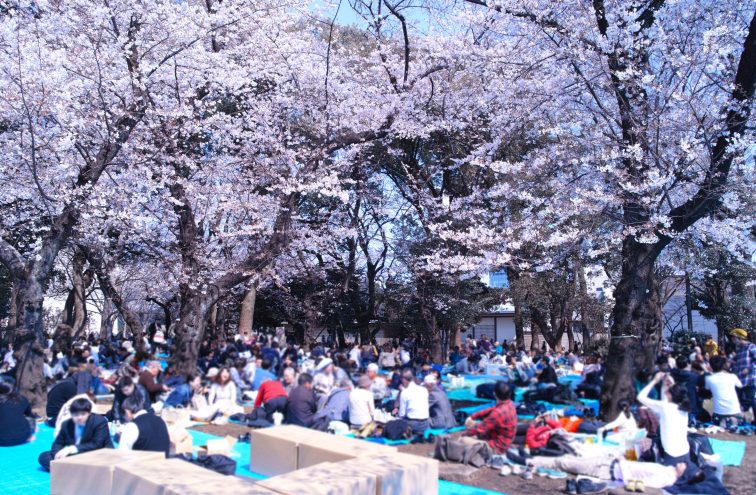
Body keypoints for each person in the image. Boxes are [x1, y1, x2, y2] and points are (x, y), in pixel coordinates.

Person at [637, 371, 696, 480]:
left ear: (671, 395)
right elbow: (667, 395)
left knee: (670, 483)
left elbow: (640, 397)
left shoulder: (665, 407)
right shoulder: (683, 407)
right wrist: (668, 381)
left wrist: (654, 381)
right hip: (685, 453)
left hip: (672, 456)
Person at [38, 398, 113, 471]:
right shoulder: (67, 424)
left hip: (98, 453)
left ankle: (70, 469)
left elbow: (97, 444)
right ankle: (73, 469)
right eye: (76, 414)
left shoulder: (99, 422)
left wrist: (72, 448)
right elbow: (58, 443)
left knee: (102, 461)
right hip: (77, 456)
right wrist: (57, 456)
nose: (79, 417)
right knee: (44, 456)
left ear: (89, 413)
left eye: (83, 414)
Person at [462, 381, 516, 454]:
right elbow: (491, 409)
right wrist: (473, 416)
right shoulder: (510, 404)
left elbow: (479, 429)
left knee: (463, 440)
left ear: (494, 394)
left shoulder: (497, 413)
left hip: (497, 448)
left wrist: (465, 433)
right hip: (505, 442)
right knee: (475, 434)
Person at [705, 355, 744, 428]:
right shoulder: (732, 376)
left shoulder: (709, 379)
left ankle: (724, 420)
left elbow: (707, 389)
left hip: (718, 413)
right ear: (723, 365)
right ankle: (731, 420)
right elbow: (740, 386)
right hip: (735, 411)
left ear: (710, 366)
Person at [394, 368, 430, 435]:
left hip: (413, 424)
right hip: (426, 423)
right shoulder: (424, 390)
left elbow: (402, 414)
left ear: (403, 380)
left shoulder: (405, 393)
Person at [729, 328, 755, 421]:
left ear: (739, 338)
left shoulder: (751, 347)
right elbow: (734, 362)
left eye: (733, 338)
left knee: (751, 400)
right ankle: (742, 419)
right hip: (740, 380)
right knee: (738, 401)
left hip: (750, 379)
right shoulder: (739, 350)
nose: (733, 340)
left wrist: (749, 369)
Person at [0, 380, 35, 446]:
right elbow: (29, 415)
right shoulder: (22, 399)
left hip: (1, 441)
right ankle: (31, 435)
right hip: (22, 438)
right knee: (29, 419)